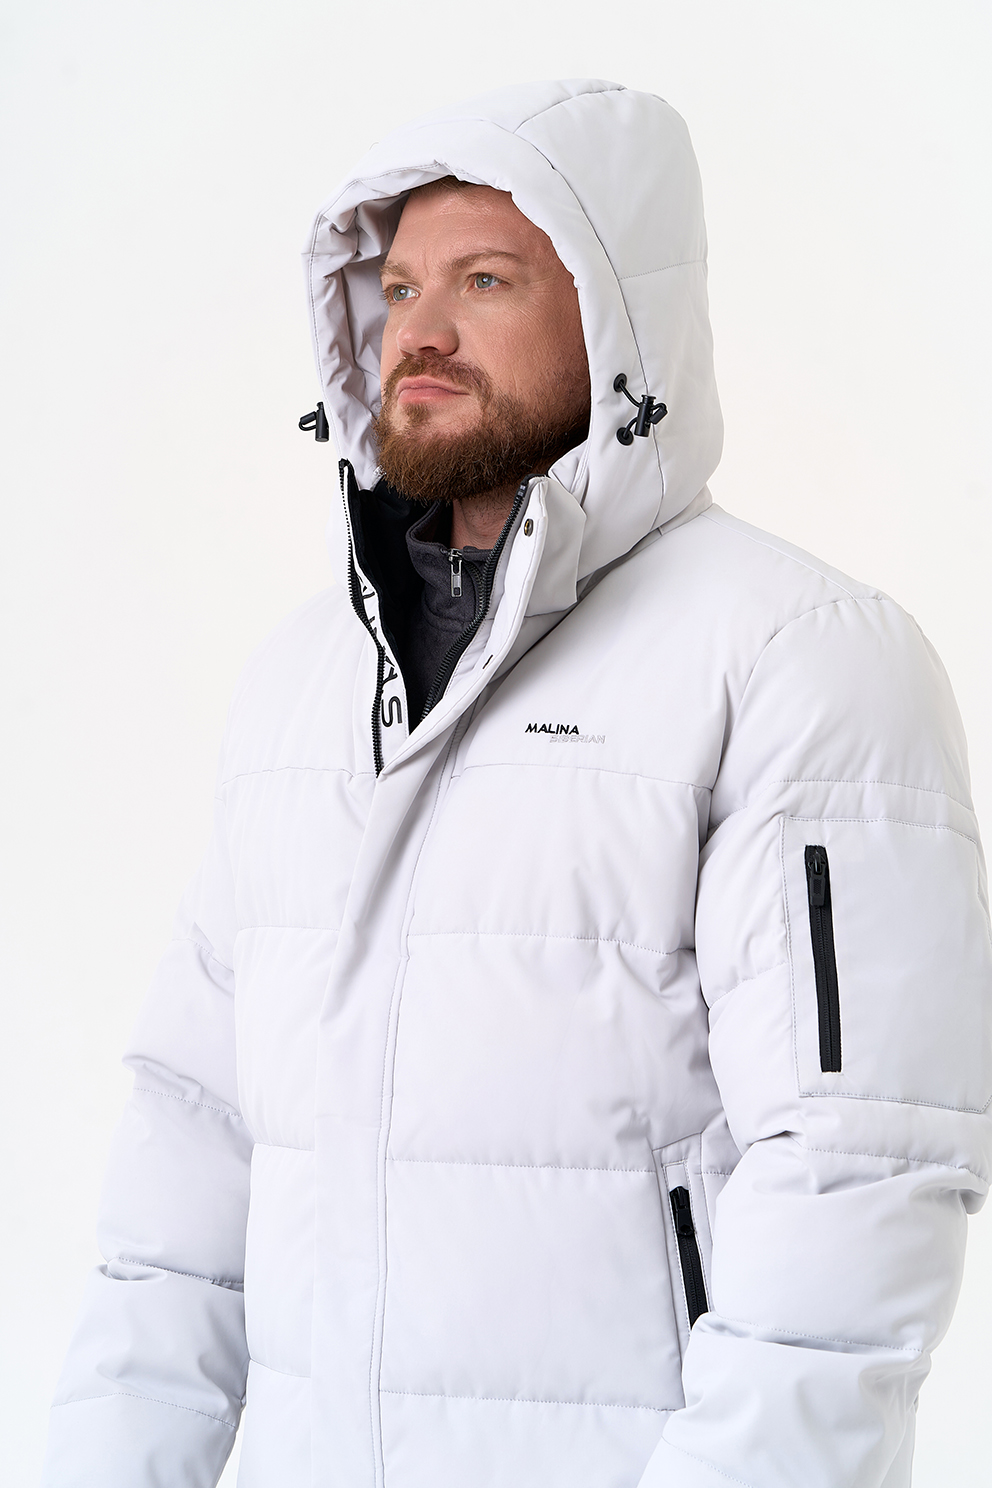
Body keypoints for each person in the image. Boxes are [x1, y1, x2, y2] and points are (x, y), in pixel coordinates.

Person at [43, 78, 992, 1488]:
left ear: (620, 322)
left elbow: (855, 1176)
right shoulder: (303, 682)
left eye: (485, 280)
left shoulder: (797, 655)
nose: (417, 330)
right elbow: (189, 1157)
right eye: (398, 287)